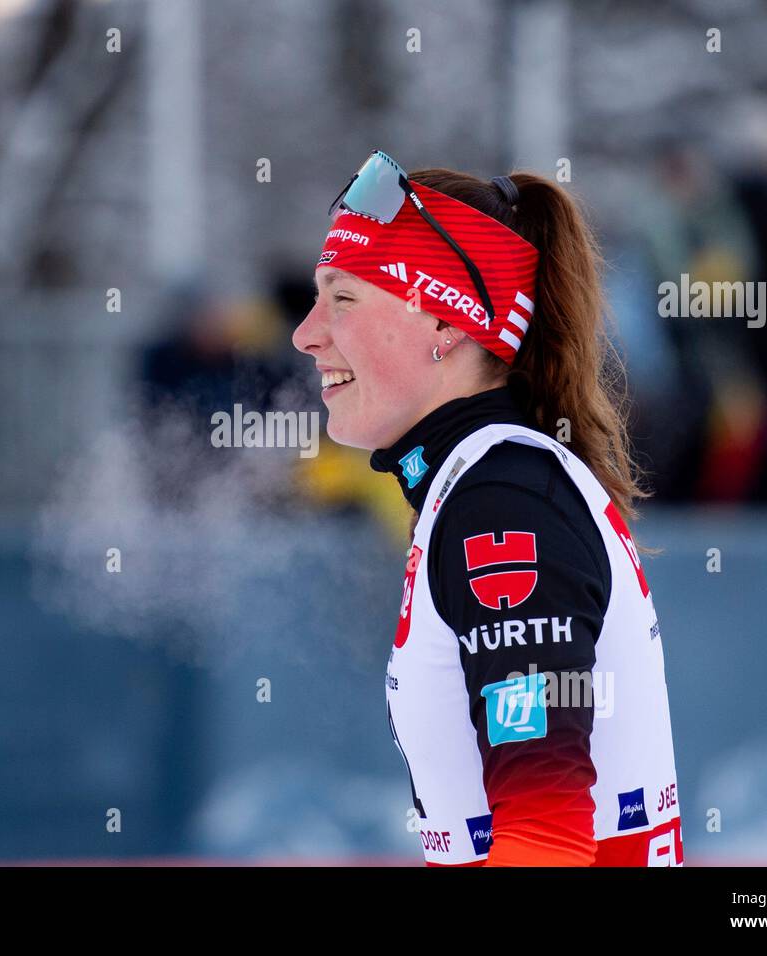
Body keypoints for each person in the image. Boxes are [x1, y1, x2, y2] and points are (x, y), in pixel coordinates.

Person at [292, 150, 683, 866]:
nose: (307, 333)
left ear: (446, 325)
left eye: (343, 299)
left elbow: (547, 838)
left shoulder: (500, 501)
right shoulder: (482, 482)